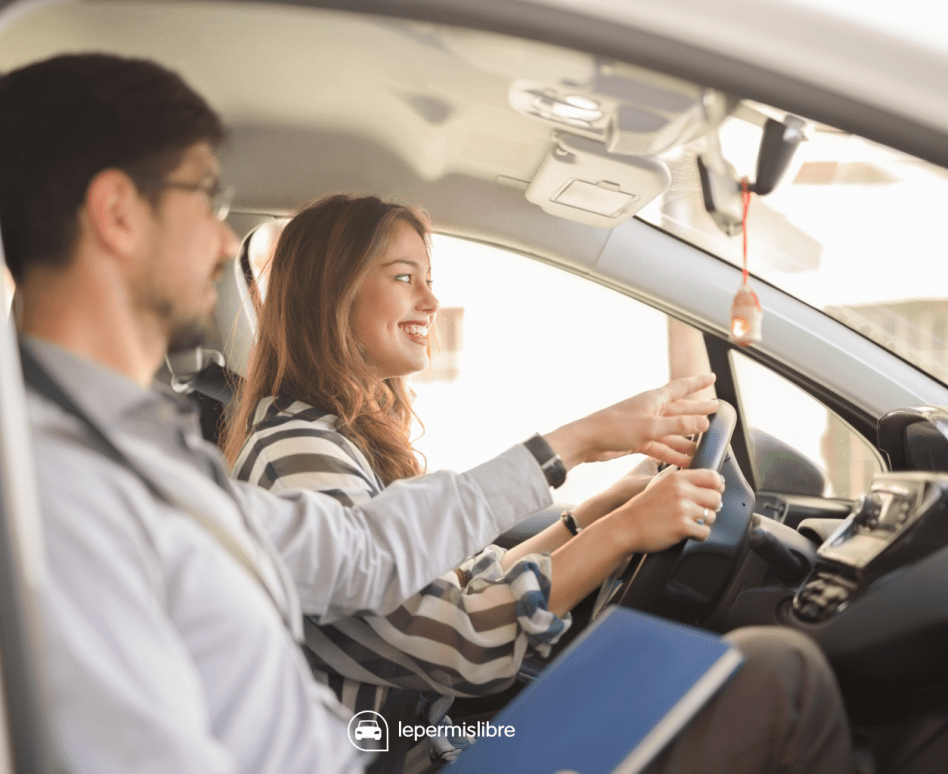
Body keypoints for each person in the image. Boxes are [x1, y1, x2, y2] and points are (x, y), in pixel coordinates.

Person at [0, 52, 761, 774]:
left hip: (394, 745)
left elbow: (362, 555)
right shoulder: (62, 481)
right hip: (396, 749)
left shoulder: (137, 445)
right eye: (202, 196)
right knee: (771, 682)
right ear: (118, 212)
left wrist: (586, 497)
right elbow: (437, 633)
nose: (224, 243)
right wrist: (600, 493)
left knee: (743, 679)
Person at [224, 194, 854, 774]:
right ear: (331, 292)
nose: (430, 302)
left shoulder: (331, 440)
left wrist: (598, 515)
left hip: (428, 743)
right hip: (399, 751)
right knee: (779, 671)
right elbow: (457, 640)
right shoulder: (296, 458)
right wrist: (624, 526)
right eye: (403, 277)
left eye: (429, 278)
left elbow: (450, 590)